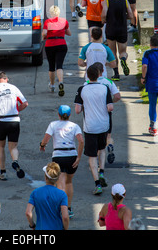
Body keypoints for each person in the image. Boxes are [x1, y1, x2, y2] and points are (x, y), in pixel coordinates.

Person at [75, 65, 114, 195]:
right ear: (98, 75)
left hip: (90, 127)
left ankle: (97, 184)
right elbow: (110, 108)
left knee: (92, 156)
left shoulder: (82, 89)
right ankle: (102, 171)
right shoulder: (105, 88)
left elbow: (77, 110)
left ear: (87, 75)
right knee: (102, 149)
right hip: (103, 125)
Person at [39, 105, 84, 218]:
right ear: (69, 115)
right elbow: (81, 141)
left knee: (60, 182)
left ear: (58, 114)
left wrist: (42, 145)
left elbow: (46, 138)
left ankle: (61, 209)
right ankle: (68, 208)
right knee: (69, 182)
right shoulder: (74, 126)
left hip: (58, 156)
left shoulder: (53, 124)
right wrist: (78, 157)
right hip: (72, 156)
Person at [0, 71, 28, 181]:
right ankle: (15, 161)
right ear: (6, 79)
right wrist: (17, 110)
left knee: (0, 146)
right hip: (14, 120)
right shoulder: (14, 88)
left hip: (1, 121)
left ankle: (3, 171)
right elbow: (25, 103)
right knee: (13, 147)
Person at [101, 0, 134, 81]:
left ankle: (116, 74)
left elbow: (103, 14)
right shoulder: (125, 1)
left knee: (112, 52)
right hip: (122, 29)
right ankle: (123, 59)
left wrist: (104, 21)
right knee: (123, 51)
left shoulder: (107, 1)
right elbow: (131, 15)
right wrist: (126, 18)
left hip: (111, 29)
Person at [25, 162, 69, 230]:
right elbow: (65, 217)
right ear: (57, 178)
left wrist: (32, 226)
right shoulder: (62, 195)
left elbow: (28, 213)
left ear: (45, 177)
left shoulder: (35, 193)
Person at [42, 5, 71, 96]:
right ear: (58, 13)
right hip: (61, 44)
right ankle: (61, 82)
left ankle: (52, 85)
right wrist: (62, 31)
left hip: (50, 45)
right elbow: (69, 33)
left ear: (50, 13)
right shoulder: (64, 21)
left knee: (51, 67)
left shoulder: (47, 21)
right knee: (59, 66)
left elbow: (44, 33)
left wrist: (44, 37)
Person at [141, 34, 158, 136]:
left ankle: (153, 127)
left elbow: (145, 66)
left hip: (152, 84)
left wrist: (143, 77)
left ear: (150, 44)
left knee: (152, 105)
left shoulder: (147, 53)